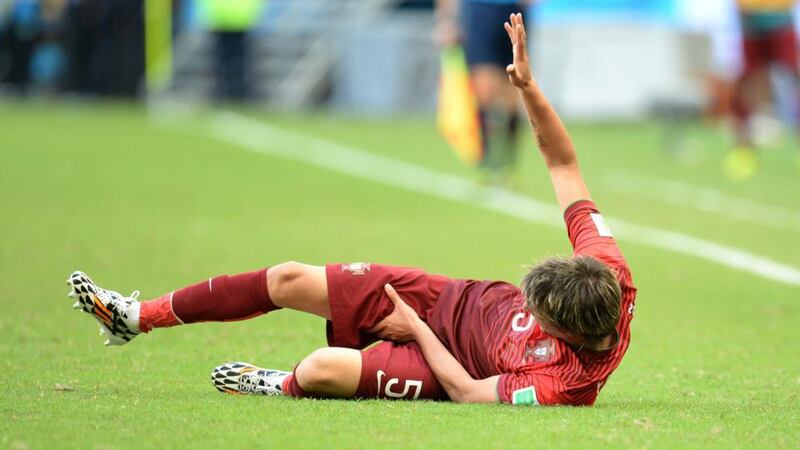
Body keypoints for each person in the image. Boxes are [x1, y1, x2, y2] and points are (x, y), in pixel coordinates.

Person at [67, 14, 637, 406]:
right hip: (443, 299)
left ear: (566, 332)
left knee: (320, 370)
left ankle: (276, 385)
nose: (528, 312)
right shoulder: (608, 271)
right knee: (289, 277)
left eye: (537, 313)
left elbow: (467, 391)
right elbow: (563, 166)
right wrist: (529, 90)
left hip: (450, 366)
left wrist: (414, 330)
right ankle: (136, 317)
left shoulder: (563, 385)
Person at [436, 0, 530, 183]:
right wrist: (446, 20)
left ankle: (508, 163)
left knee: (514, 90)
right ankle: (486, 161)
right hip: (480, 10)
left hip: (514, 9)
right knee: (484, 92)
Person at [726, 0, 800, 180]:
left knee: (793, 77)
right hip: (751, 17)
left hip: (780, 16)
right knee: (748, 82)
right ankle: (744, 150)